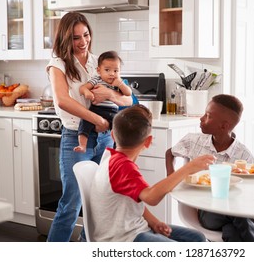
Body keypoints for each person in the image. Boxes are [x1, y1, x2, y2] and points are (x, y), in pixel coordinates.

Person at [46, 12, 132, 242]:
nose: (83, 42)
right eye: (76, 38)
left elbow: (130, 100)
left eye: (86, 35)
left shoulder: (99, 62)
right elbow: (63, 100)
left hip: (104, 139)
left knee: (97, 203)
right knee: (71, 205)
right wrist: (97, 120)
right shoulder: (58, 64)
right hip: (77, 137)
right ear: (65, 39)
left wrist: (111, 95)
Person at [90, 104, 215, 242]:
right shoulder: (123, 166)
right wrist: (189, 168)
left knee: (198, 237)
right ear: (148, 141)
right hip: (123, 238)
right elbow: (151, 197)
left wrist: (154, 222)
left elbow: (133, 201)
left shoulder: (111, 156)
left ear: (113, 135)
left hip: (134, 228)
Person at [165, 94, 254, 242]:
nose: (201, 118)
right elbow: (170, 153)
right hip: (206, 211)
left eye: (208, 116)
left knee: (232, 231)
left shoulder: (243, 155)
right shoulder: (193, 140)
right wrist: (171, 179)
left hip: (234, 210)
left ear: (224, 126)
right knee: (240, 214)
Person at [74, 51, 132, 153]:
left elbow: (128, 94)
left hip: (112, 112)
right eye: (107, 70)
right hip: (96, 110)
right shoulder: (97, 80)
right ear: (99, 70)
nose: (112, 74)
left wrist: (120, 84)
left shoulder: (118, 82)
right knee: (84, 123)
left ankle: (118, 150)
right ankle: (82, 145)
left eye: (116, 70)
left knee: (119, 128)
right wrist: (87, 92)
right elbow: (83, 88)